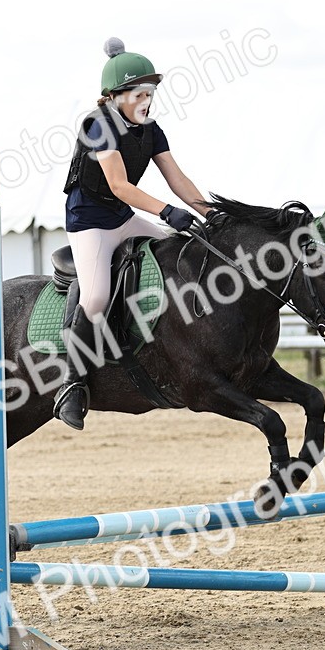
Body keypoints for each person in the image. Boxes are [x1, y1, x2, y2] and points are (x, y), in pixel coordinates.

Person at [55, 37, 211, 430]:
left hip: (123, 217)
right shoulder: (97, 125)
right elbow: (120, 185)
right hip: (89, 222)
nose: (148, 100)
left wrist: (209, 213)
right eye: (141, 93)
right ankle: (71, 384)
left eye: (151, 93)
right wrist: (166, 211)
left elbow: (177, 179)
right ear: (113, 96)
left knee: (179, 253)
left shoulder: (151, 130)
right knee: (95, 297)